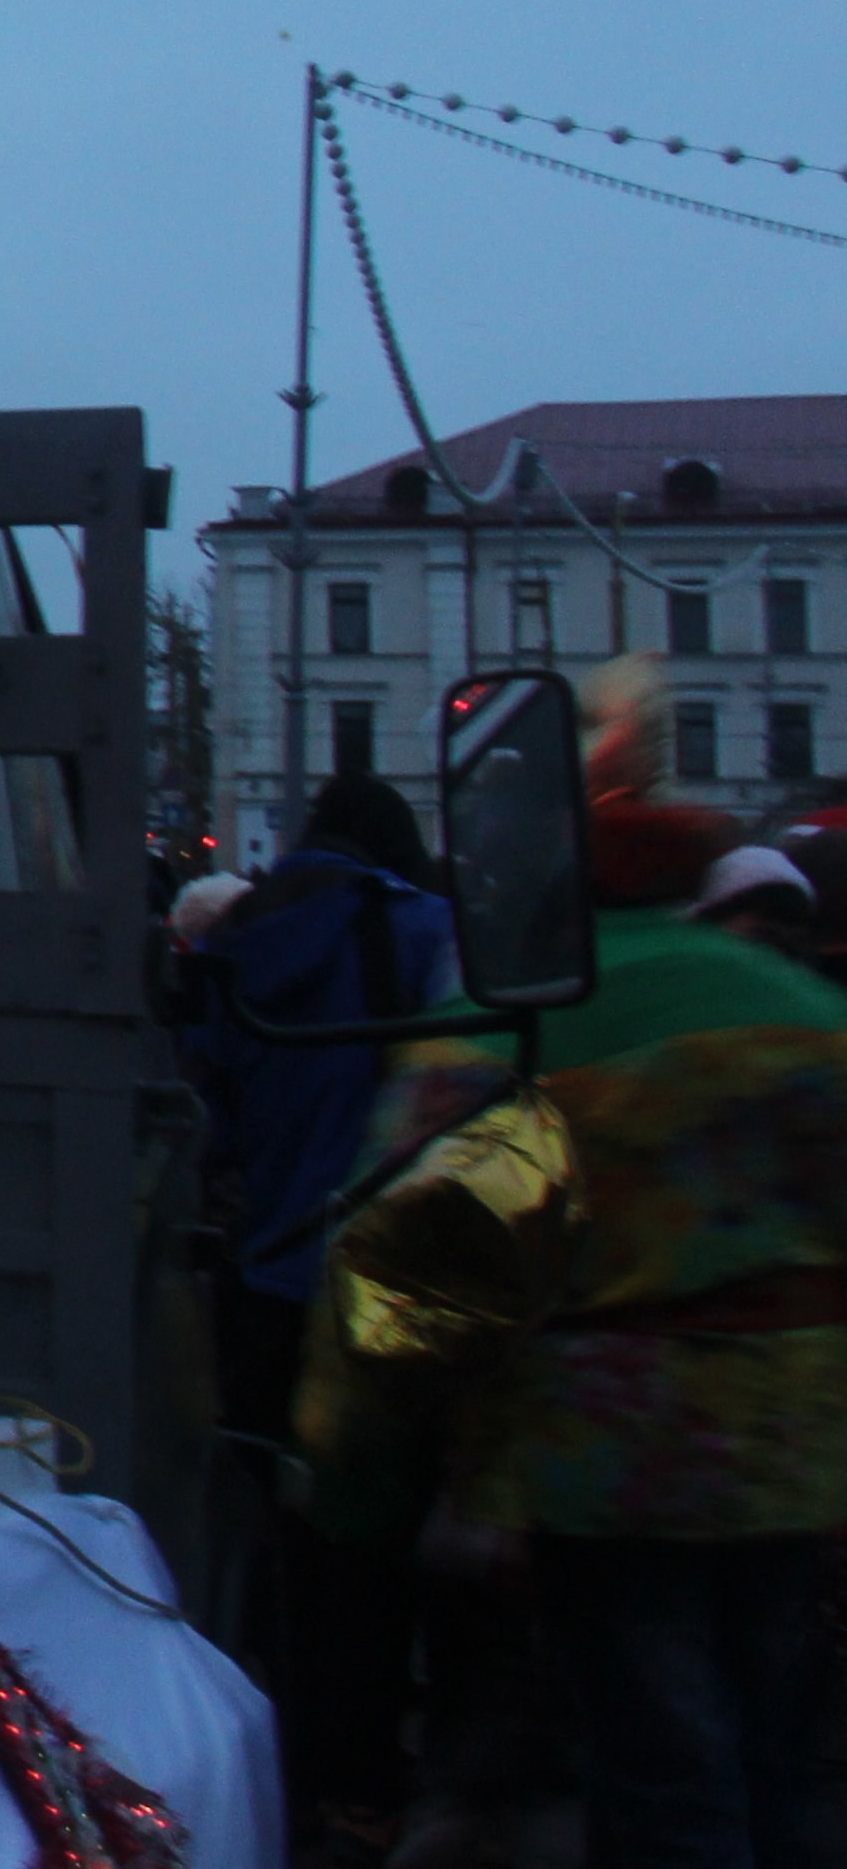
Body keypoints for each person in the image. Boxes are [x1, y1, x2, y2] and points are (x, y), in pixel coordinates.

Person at [311, 718, 847, 1869]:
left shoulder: (510, 1013)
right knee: (790, 1750)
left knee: (665, 1761)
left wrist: (353, 1479)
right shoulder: (795, 1005)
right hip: (802, 1445)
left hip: (610, 1461)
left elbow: (391, 1262)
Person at [179, 772, 461, 1844]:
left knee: (285, 1545)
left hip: (270, 1285)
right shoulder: (423, 928)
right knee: (385, 1547)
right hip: (390, 1292)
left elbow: (214, 1117)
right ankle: (376, 1775)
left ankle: (285, 1765)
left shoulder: (236, 946)